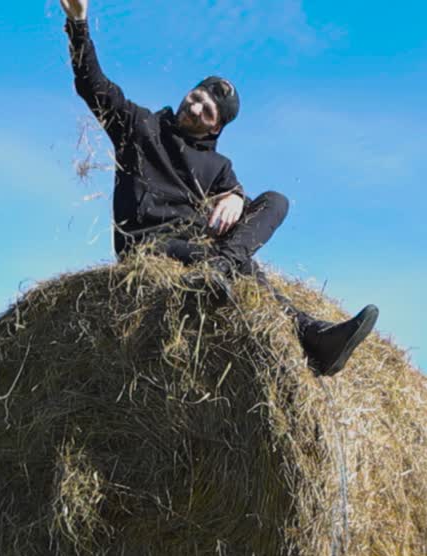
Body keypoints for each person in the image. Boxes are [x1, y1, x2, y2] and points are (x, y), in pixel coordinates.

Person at [59, 0, 378, 377]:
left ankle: (286, 316)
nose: (195, 109)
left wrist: (237, 197)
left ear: (216, 128)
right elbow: (91, 83)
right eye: (196, 98)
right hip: (147, 245)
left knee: (275, 203)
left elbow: (245, 209)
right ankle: (295, 321)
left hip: (202, 251)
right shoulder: (139, 126)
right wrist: (78, 23)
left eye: (207, 111)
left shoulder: (220, 168)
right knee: (240, 264)